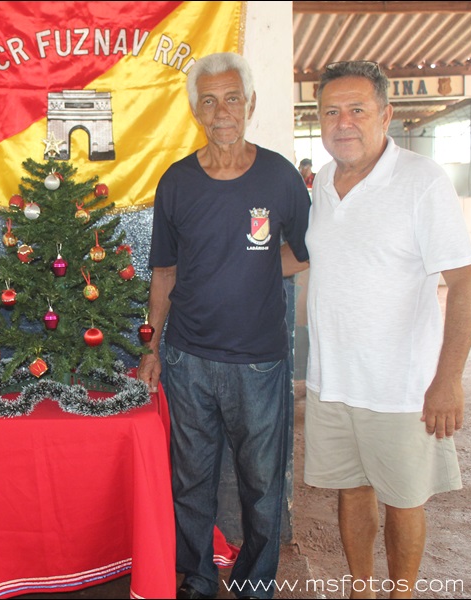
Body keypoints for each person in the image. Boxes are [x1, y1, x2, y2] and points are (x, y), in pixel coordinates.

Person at [304, 60, 471, 599]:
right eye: (331, 112)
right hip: (332, 381)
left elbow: (467, 283)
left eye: (357, 110)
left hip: (401, 387)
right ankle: (360, 589)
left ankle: (400, 593)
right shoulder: (322, 183)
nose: (343, 122)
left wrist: (447, 380)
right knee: (351, 491)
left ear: (385, 115)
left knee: (405, 500)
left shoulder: (420, 180)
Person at [138, 52, 310, 600]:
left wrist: (255, 267)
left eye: (232, 98)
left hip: (259, 362)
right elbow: (164, 272)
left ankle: (255, 583)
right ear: (196, 111)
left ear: (250, 104)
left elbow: (304, 251)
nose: (221, 112)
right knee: (190, 482)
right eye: (209, 101)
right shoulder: (177, 182)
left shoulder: (281, 177)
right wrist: (151, 347)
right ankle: (197, 578)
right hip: (187, 360)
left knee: (262, 485)